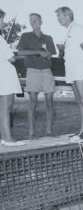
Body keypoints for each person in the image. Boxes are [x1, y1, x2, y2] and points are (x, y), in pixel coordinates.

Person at [55, 6, 83, 142]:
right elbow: (65, 54)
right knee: (79, 100)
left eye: (59, 15)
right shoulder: (67, 31)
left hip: (80, 68)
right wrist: (61, 49)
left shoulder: (77, 29)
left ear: (67, 15)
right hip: (71, 68)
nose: (58, 18)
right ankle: (82, 131)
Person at [17, 13, 56, 139]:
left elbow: (51, 55)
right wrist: (37, 52)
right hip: (32, 71)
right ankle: (32, 132)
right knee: (33, 102)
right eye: (31, 21)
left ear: (41, 21)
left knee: (49, 102)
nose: (34, 22)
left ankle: (49, 131)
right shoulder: (25, 36)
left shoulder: (48, 38)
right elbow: (20, 52)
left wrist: (47, 55)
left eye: (36, 20)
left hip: (47, 71)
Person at [0, 9, 24, 146]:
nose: (3, 23)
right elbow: (12, 58)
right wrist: (24, 56)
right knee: (6, 108)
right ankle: (8, 138)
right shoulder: (0, 39)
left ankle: (4, 137)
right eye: (1, 19)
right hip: (5, 76)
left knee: (2, 109)